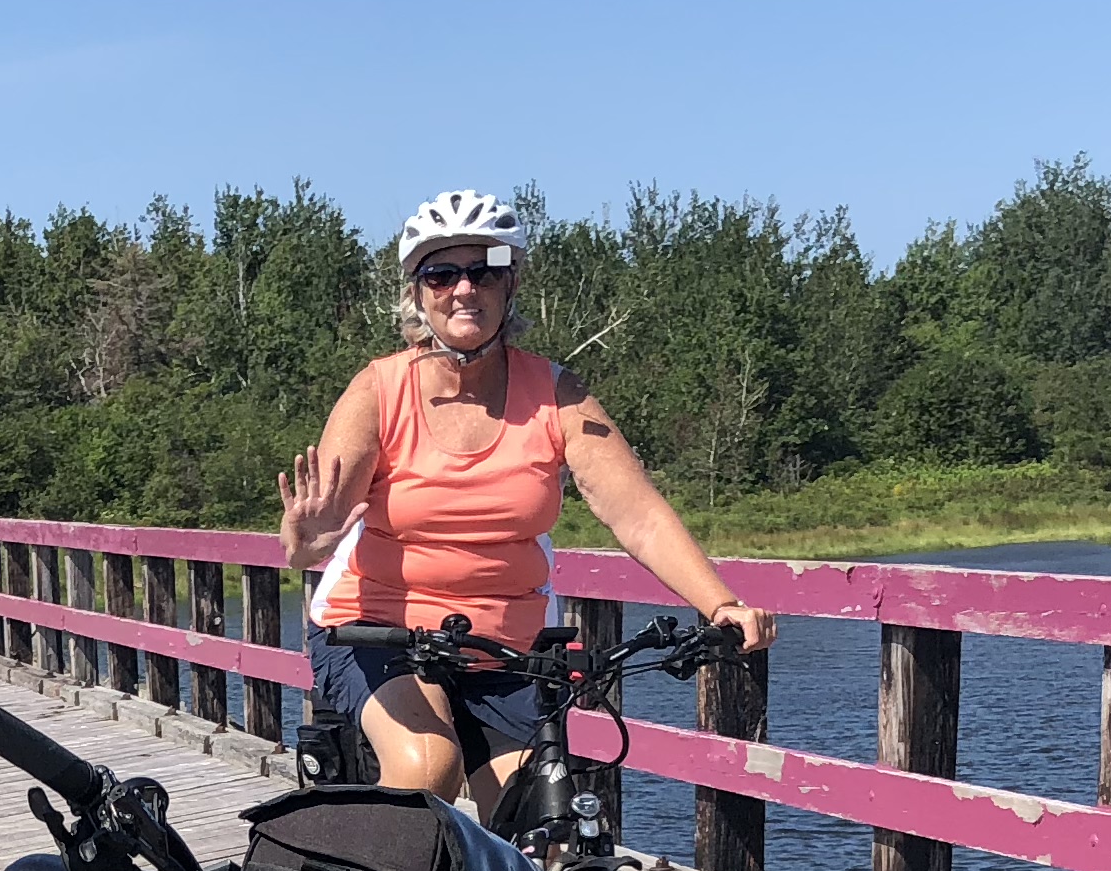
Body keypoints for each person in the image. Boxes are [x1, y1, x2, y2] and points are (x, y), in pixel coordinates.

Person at [276, 188, 781, 808]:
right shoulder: (378, 391)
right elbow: (312, 536)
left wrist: (720, 603)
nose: (465, 289)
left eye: (485, 269)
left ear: (511, 282)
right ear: (418, 292)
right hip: (381, 635)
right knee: (428, 763)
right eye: (441, 274)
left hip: (505, 650)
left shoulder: (557, 394)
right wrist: (306, 544)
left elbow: (637, 514)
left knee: (538, 811)